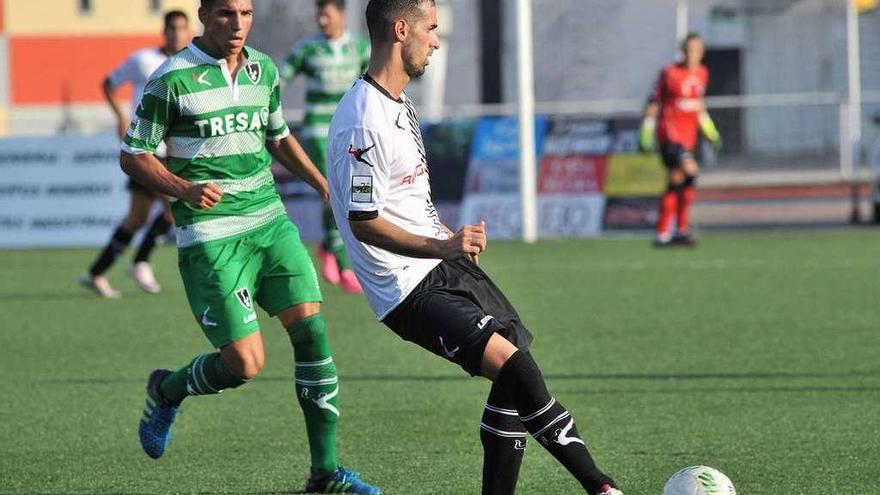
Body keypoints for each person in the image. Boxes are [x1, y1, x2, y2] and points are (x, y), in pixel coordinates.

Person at [326, 1, 622, 494]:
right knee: (514, 367)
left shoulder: (399, 102)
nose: (437, 41)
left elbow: (406, 196)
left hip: (442, 265)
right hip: (405, 289)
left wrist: (448, 237)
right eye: (432, 29)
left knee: (518, 368)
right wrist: (444, 245)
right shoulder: (363, 119)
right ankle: (602, 486)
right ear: (401, 30)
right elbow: (364, 223)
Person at [120, 1, 380, 493]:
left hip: (270, 221)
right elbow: (133, 155)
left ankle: (324, 474)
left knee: (312, 333)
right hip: (212, 235)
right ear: (203, 15)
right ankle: (167, 389)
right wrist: (183, 188)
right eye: (224, 14)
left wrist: (323, 183)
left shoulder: (264, 68)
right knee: (245, 364)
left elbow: (277, 137)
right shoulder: (171, 80)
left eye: (245, 13)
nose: (236, 24)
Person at [80, 10, 190, 298]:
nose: (177, 34)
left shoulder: (190, 63)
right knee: (173, 207)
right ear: (164, 31)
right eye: (172, 28)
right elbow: (108, 83)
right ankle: (140, 261)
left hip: (174, 147)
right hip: (147, 149)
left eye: (182, 28)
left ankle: (96, 272)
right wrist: (120, 117)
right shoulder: (144, 60)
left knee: (137, 219)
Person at [281, 0, 370, 294]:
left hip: (351, 132)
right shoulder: (308, 49)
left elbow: (373, 83)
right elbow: (279, 80)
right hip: (319, 133)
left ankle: (327, 245)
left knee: (352, 191)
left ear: (341, 15)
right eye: (318, 15)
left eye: (327, 15)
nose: (321, 21)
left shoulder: (359, 48)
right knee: (334, 191)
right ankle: (344, 263)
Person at [639, 32, 721, 247]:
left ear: (702, 53)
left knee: (676, 181)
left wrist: (711, 131)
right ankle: (681, 229)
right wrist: (646, 132)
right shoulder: (669, 73)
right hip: (670, 136)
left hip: (688, 139)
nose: (692, 54)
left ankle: (664, 234)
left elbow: (699, 106)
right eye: (689, 49)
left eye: (697, 50)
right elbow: (653, 102)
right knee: (690, 171)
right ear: (682, 51)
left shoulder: (703, 73)